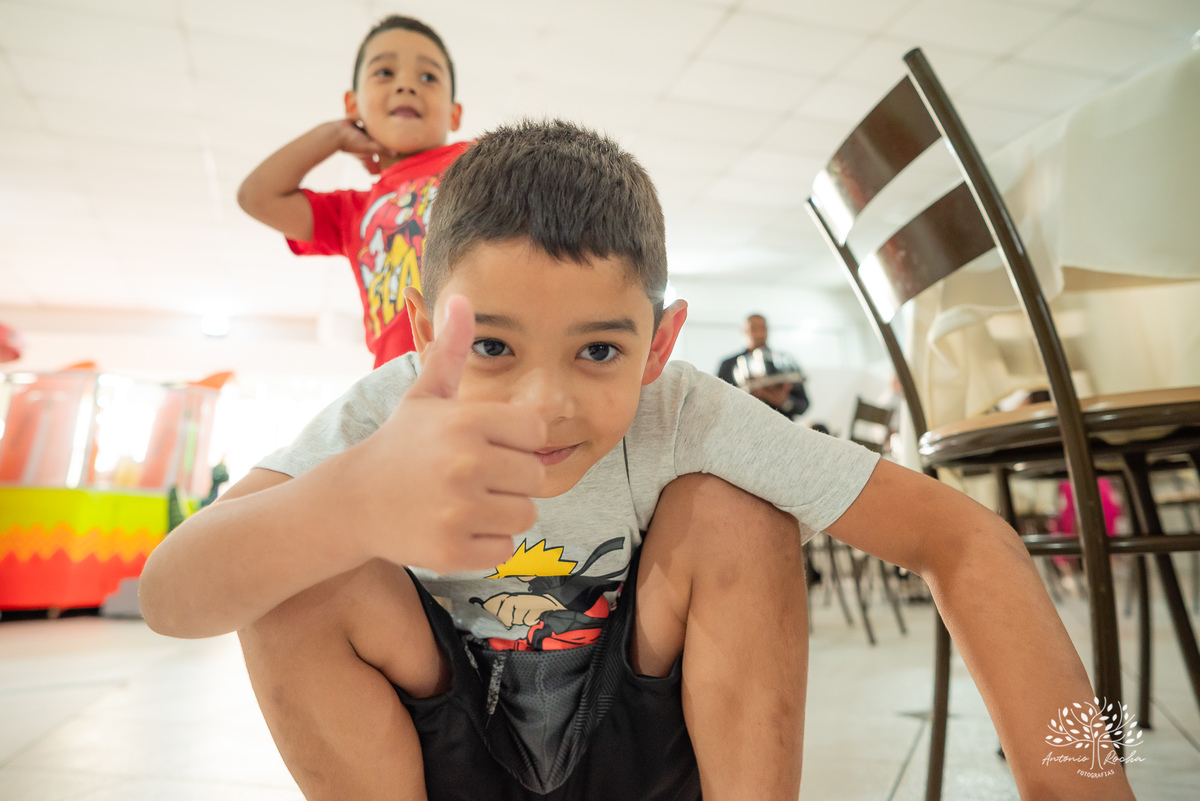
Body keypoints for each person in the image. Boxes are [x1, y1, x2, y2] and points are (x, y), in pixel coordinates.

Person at [141, 121, 1134, 801]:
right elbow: (172, 599)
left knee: (738, 513)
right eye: (491, 346)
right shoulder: (378, 411)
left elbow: (964, 540)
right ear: (420, 332)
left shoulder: (688, 409)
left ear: (658, 346)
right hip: (446, 753)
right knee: (285, 562)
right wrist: (344, 508)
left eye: (599, 351)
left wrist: (1083, 778)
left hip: (640, 752)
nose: (546, 404)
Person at [237, 15, 468, 368]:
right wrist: (335, 135)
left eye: (428, 77)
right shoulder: (353, 212)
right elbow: (257, 196)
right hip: (396, 386)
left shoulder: (477, 158)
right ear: (352, 105)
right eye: (385, 73)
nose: (407, 86)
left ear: (454, 114)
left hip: (479, 363)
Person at [717, 314, 809, 419]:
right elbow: (719, 401)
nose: (759, 334)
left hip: (779, 428)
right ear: (744, 331)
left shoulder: (784, 362)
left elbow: (804, 404)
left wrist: (784, 402)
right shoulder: (729, 365)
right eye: (753, 329)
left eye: (762, 329)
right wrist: (744, 396)